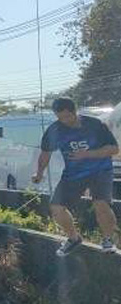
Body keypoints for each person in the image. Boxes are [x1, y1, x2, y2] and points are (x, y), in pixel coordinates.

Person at [33, 97, 120, 256]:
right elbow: (45, 154)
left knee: (101, 204)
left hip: (100, 171)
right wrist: (39, 173)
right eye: (60, 118)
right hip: (74, 174)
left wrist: (87, 154)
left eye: (67, 116)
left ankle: (108, 240)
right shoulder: (54, 131)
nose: (64, 121)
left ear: (75, 111)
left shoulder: (94, 125)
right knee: (56, 208)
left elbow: (114, 149)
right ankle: (73, 238)